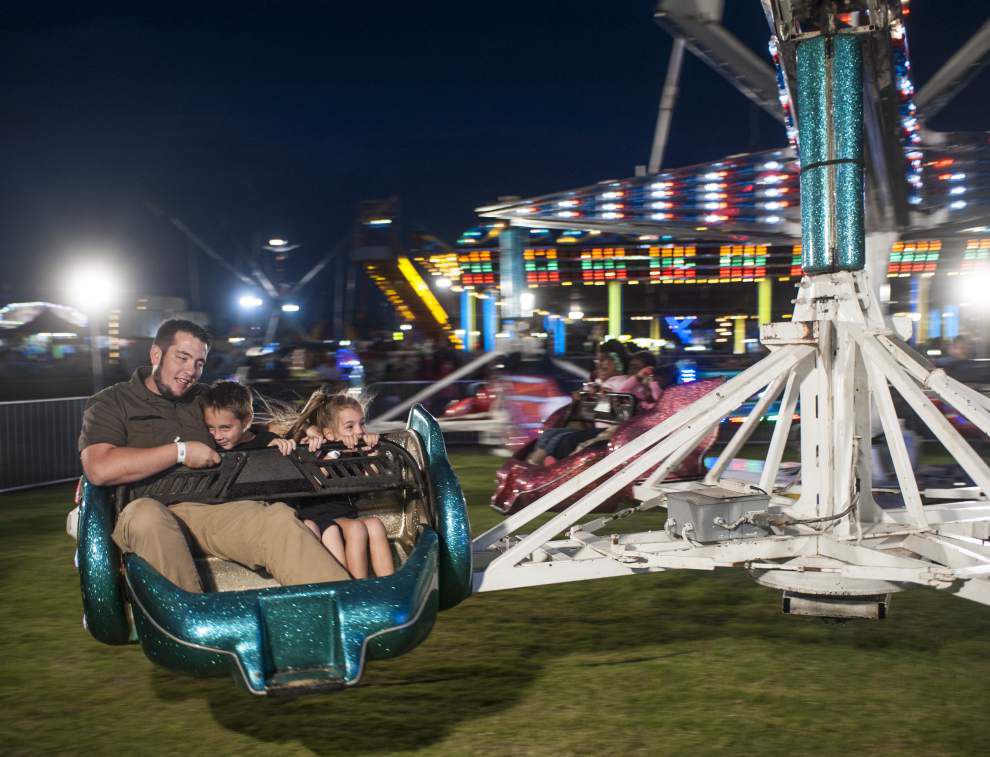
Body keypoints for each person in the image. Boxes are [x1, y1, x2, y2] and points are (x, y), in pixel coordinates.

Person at [78, 319, 350, 593]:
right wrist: (180, 452)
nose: (191, 371)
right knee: (149, 516)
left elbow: (245, 424)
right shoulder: (112, 402)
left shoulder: (203, 398)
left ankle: (348, 617)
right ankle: (190, 629)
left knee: (276, 518)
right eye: (182, 358)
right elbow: (100, 467)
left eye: (199, 363)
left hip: (212, 508)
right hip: (145, 508)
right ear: (156, 355)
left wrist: (302, 430)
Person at [275, 388, 395, 580]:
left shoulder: (355, 450)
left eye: (361, 424)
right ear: (330, 434)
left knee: (375, 524)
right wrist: (335, 451)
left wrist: (372, 452)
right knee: (356, 528)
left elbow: (370, 479)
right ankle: (357, 586)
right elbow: (317, 478)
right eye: (350, 427)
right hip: (318, 515)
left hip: (345, 514)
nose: (359, 431)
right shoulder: (321, 450)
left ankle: (390, 583)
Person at [526, 340, 631, 466]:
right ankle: (535, 460)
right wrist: (581, 396)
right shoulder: (599, 382)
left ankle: (538, 462)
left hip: (609, 431)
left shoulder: (622, 383)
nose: (599, 364)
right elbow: (588, 398)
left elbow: (612, 404)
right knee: (550, 433)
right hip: (592, 426)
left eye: (604, 360)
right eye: (598, 360)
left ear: (617, 362)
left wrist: (597, 394)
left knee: (561, 438)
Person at [201, 380, 296, 454]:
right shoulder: (209, 445)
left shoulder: (268, 442)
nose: (217, 436)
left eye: (225, 428)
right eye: (211, 427)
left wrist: (281, 448)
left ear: (247, 421)